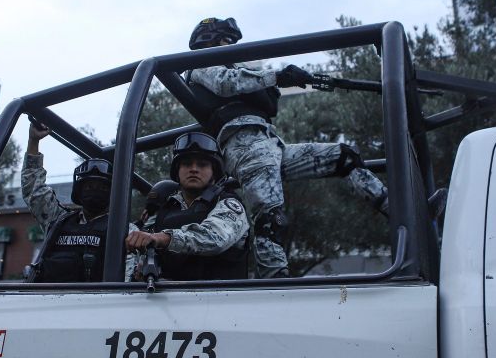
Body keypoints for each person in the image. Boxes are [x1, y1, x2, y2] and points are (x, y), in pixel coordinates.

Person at [184, 17, 390, 278]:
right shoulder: (200, 64)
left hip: (270, 143)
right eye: (226, 41)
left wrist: (279, 82)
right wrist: (277, 76)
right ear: (210, 40)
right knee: (270, 220)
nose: (230, 47)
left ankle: (400, 213)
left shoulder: (232, 67)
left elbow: (262, 97)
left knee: (344, 157)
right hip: (246, 146)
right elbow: (227, 82)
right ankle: (275, 285)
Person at [125, 132, 250, 281]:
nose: (194, 169)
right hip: (166, 300)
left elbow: (214, 238)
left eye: (202, 164)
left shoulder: (229, 204)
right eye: (186, 164)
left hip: (220, 298)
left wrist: (161, 238)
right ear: (177, 172)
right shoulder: (164, 210)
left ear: (214, 173)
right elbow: (141, 246)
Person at [22, 121, 135, 282]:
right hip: (46, 303)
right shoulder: (58, 221)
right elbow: (34, 190)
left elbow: (128, 281)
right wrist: (33, 141)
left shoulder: (124, 229)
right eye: (89, 186)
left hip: (97, 305)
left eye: (101, 188)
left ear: (112, 193)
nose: (94, 191)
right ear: (79, 191)